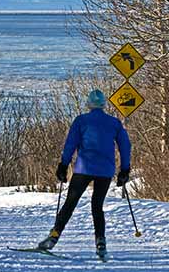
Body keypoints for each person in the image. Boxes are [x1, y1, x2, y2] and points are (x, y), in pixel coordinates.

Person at [38, 89, 131, 257]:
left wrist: (63, 165)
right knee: (97, 206)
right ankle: (100, 241)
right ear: (104, 105)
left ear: (89, 104)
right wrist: (125, 169)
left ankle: (54, 236)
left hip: (84, 168)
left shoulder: (81, 121)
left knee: (70, 204)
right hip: (105, 170)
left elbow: (70, 144)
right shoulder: (114, 123)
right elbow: (125, 146)